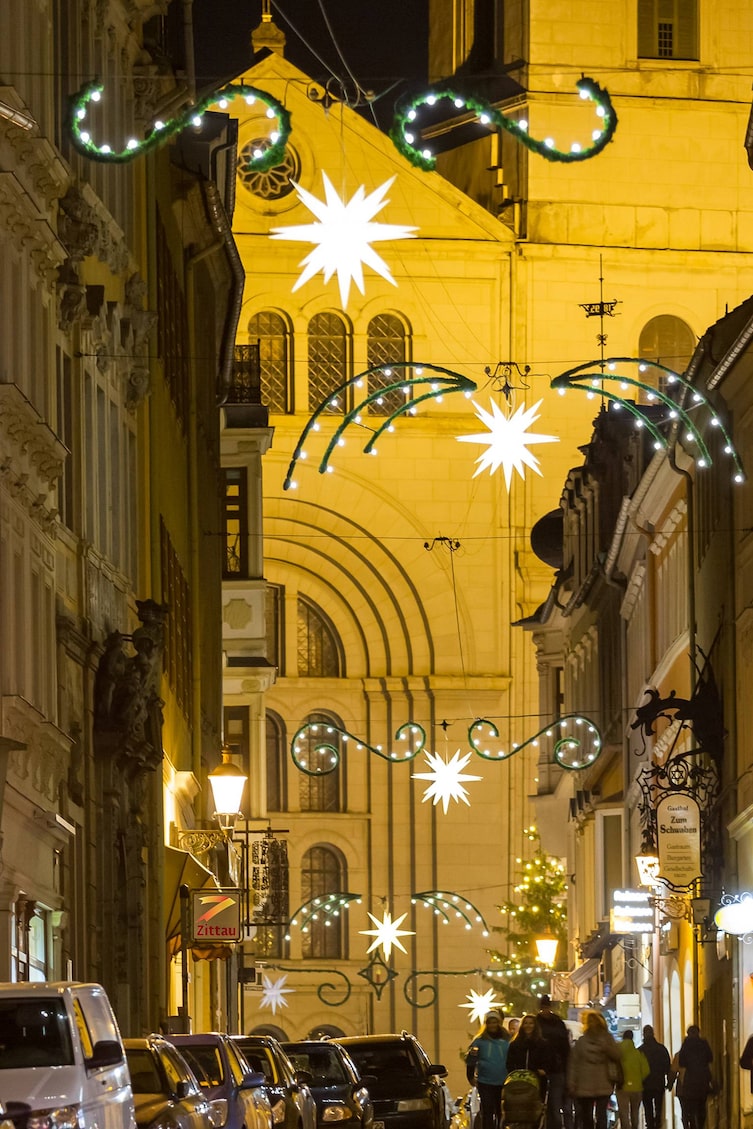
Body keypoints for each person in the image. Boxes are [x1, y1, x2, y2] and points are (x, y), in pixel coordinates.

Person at [566, 1010, 622, 1129]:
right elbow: (617, 1056)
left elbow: (573, 1064)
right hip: (604, 1082)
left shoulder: (581, 1043)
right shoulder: (608, 1039)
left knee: (587, 1115)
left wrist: (572, 1083)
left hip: (584, 1084)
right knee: (602, 1114)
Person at [465, 1010, 510, 1129]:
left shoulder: (507, 1041)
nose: (492, 1025)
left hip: (503, 1082)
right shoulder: (479, 1041)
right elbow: (471, 1060)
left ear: (499, 1023)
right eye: (490, 1022)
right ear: (486, 1024)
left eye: (495, 1022)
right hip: (485, 1082)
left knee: (502, 1112)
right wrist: (470, 1076)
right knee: (487, 1111)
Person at [537, 994, 572, 1129]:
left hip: (557, 1068)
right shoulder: (554, 1023)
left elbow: (565, 1048)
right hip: (546, 1068)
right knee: (551, 1102)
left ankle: (555, 1125)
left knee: (555, 1102)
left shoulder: (555, 1023)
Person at [506, 1014, 553, 1099]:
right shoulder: (515, 1044)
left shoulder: (543, 1044)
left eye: (531, 1023)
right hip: (518, 1081)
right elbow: (510, 1062)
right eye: (526, 1023)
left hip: (537, 1080)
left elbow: (548, 1061)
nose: (528, 1026)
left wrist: (542, 1071)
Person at [676, 1025, 713, 1129]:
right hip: (703, 1079)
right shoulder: (704, 1043)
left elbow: (682, 1062)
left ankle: (692, 1126)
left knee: (691, 1107)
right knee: (702, 1105)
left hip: (690, 1080)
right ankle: (701, 1125)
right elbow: (710, 1058)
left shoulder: (686, 1045)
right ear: (698, 1033)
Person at [615, 1029, 649, 1129]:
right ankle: (635, 1127)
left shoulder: (617, 1052)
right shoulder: (638, 1054)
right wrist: (638, 1078)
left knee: (624, 1112)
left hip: (621, 1087)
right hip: (637, 1087)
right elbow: (646, 1070)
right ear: (632, 1038)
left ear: (623, 1037)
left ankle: (625, 1127)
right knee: (635, 1112)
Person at [639, 1025, 671, 1129]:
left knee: (648, 1107)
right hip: (659, 1083)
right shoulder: (661, 1049)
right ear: (653, 1034)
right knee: (658, 1107)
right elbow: (667, 1066)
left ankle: (650, 1125)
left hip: (645, 1084)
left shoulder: (640, 1050)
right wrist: (669, 1082)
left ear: (644, 1034)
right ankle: (657, 1124)